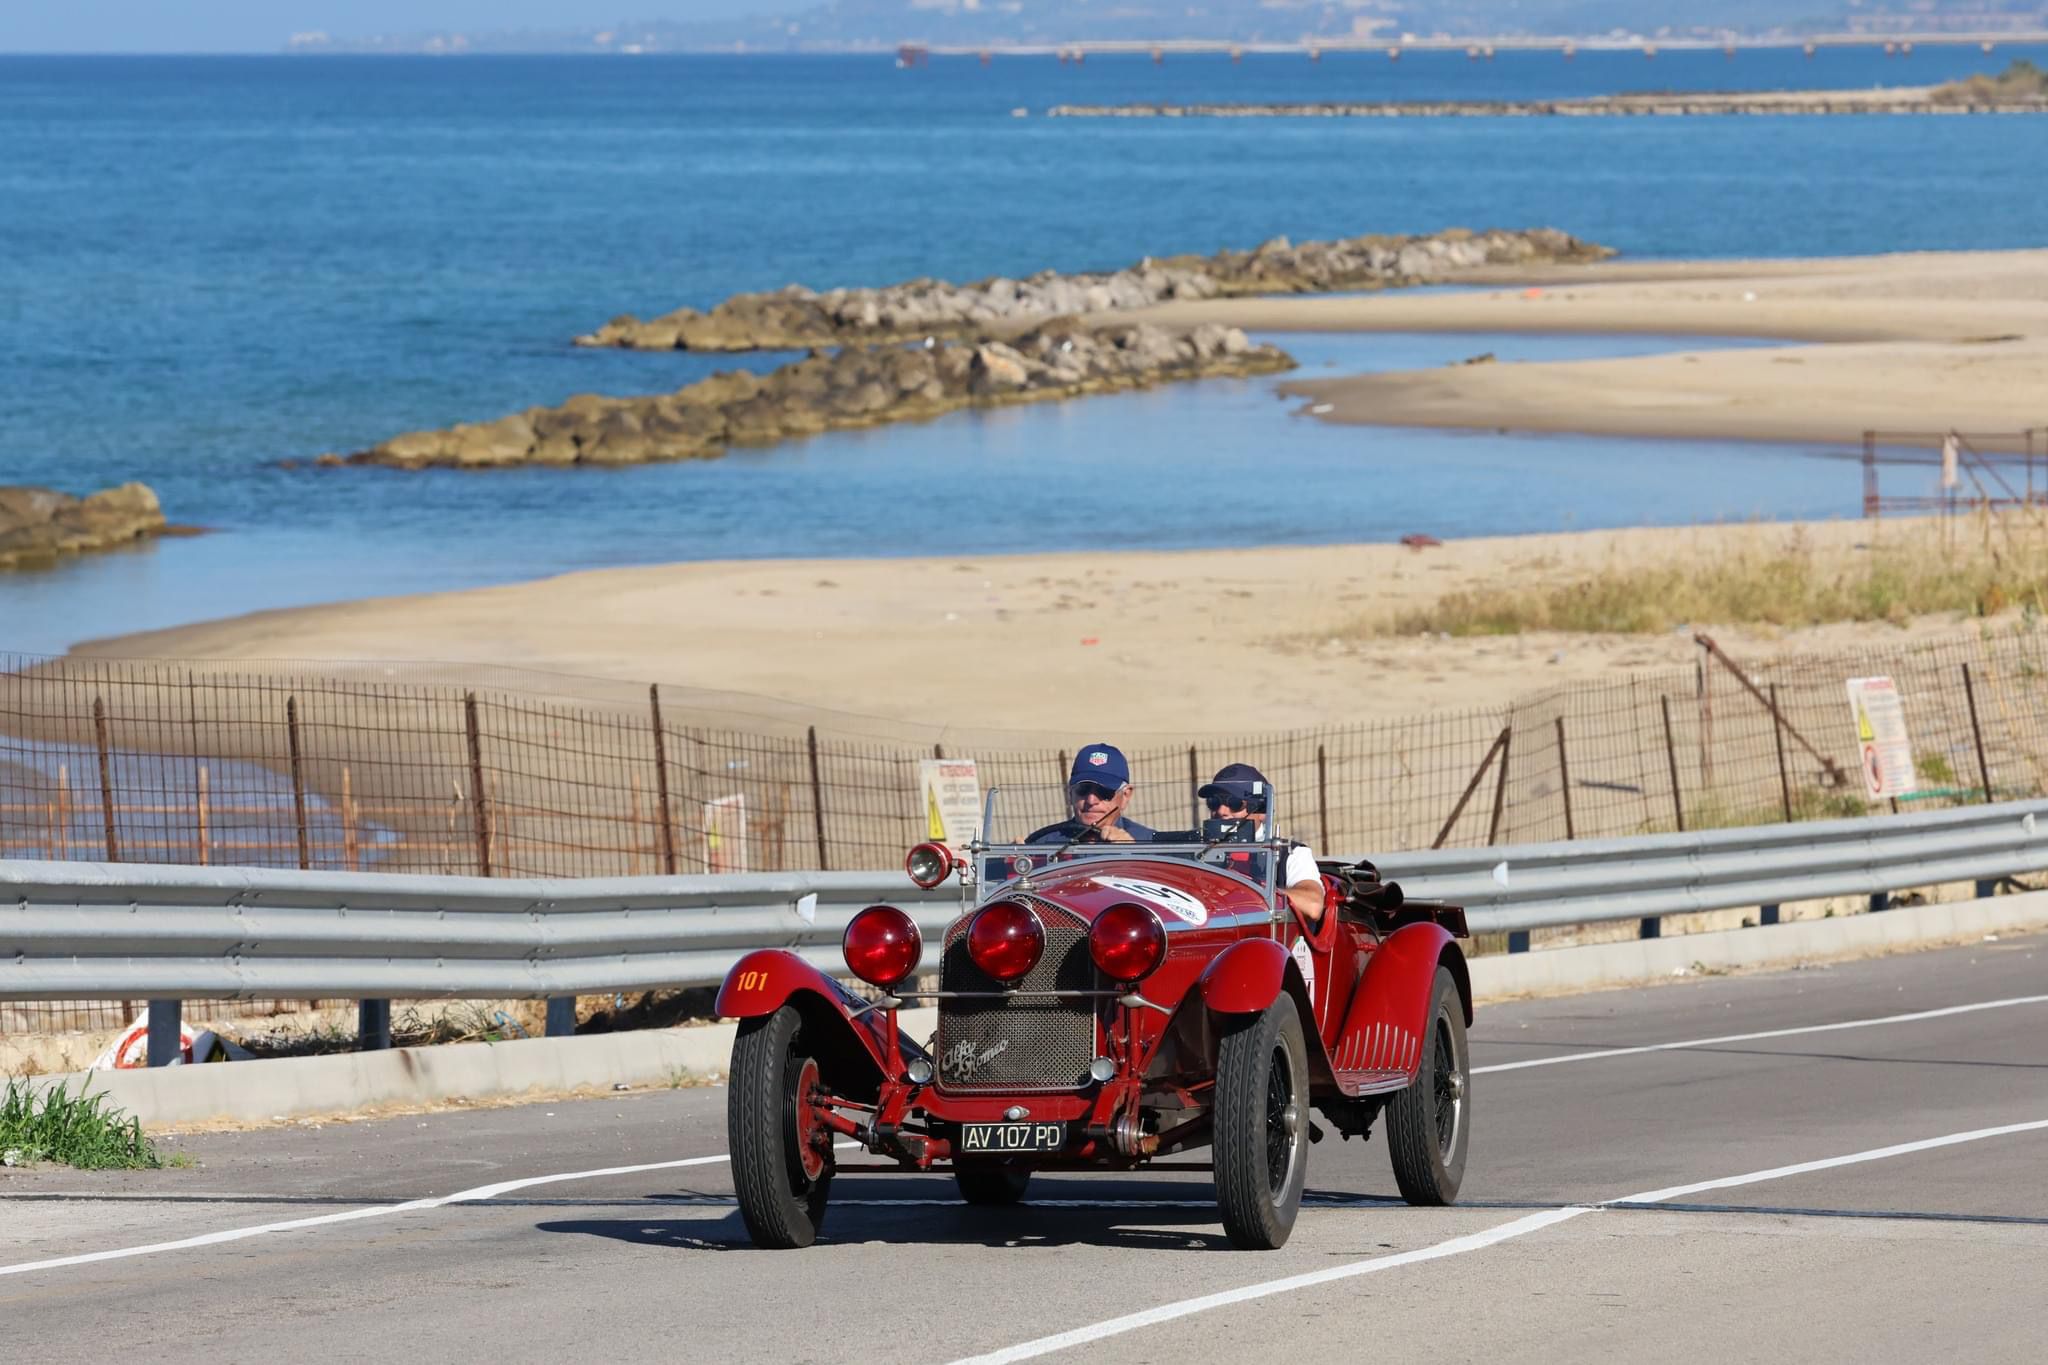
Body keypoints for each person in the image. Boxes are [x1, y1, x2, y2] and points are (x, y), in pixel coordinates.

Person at [1192, 762, 1326, 923]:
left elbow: (1312, 905)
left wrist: (1243, 894)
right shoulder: (1196, 852)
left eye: (1234, 803)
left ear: (1261, 811)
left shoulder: (1290, 854)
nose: (1221, 811)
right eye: (1214, 802)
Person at [1026, 743, 1156, 844]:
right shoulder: (1043, 845)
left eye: (1104, 791)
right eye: (1083, 789)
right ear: (1070, 793)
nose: (1091, 800)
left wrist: (1134, 857)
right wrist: (1010, 862)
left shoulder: (1149, 843)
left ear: (1126, 796)